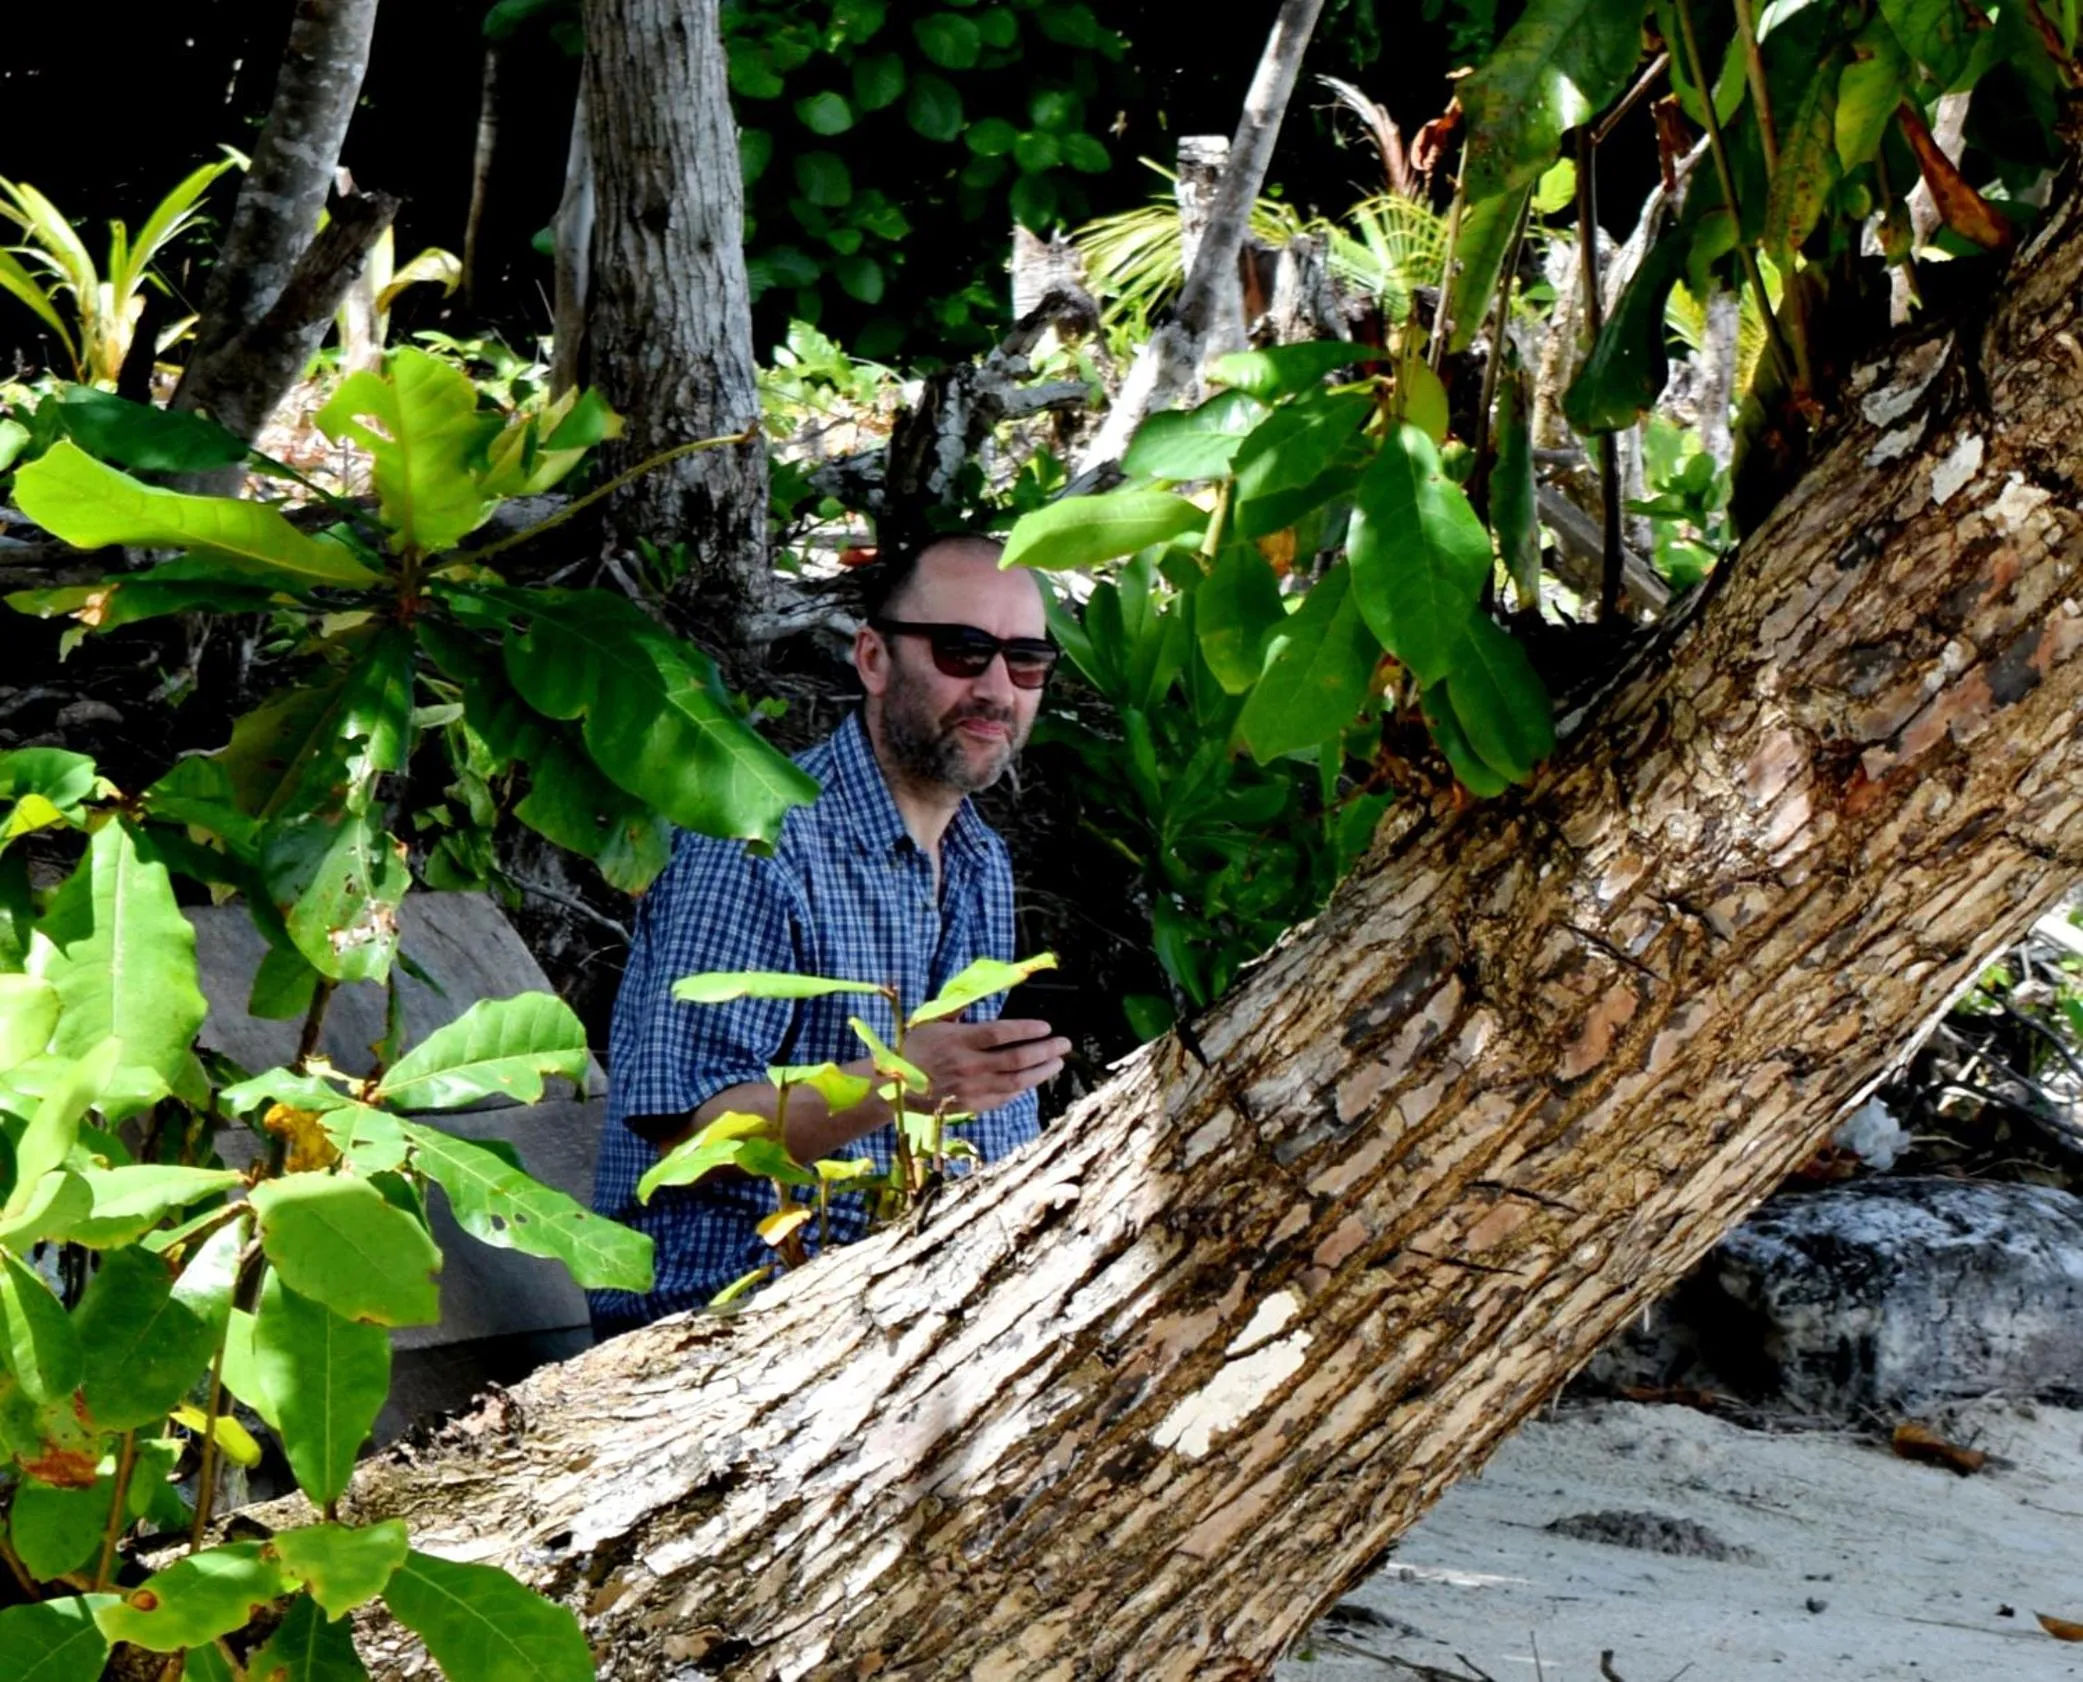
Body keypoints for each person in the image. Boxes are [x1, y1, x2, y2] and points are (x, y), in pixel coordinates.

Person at [589, 535, 1072, 1333]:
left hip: (912, 1305)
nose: (996, 688)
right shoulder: (758, 843)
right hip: (728, 1320)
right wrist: (895, 1084)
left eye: (1025, 662)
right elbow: (688, 1128)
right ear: (874, 659)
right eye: (962, 651)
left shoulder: (980, 857)